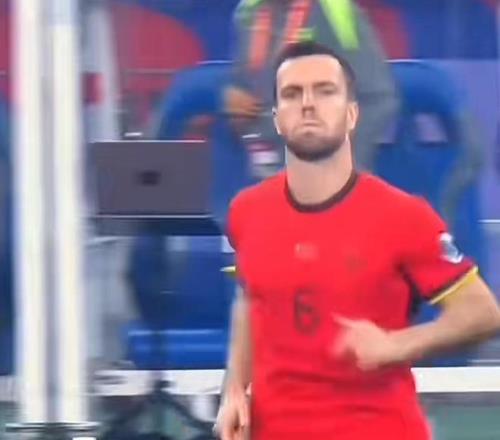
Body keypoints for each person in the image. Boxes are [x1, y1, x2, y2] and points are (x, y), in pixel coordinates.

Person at [214, 41, 500, 440]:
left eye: (324, 91)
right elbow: (249, 298)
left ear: (352, 114)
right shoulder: (247, 212)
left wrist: (396, 345)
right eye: (292, 94)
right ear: (277, 119)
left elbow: (483, 313)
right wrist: (234, 390)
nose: (308, 104)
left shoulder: (403, 216)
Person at [220, 0, 398, 180]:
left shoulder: (336, 12)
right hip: (263, 168)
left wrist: (343, 165)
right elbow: (242, 81)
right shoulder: (249, 10)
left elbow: (378, 98)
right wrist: (234, 101)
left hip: (329, 176)